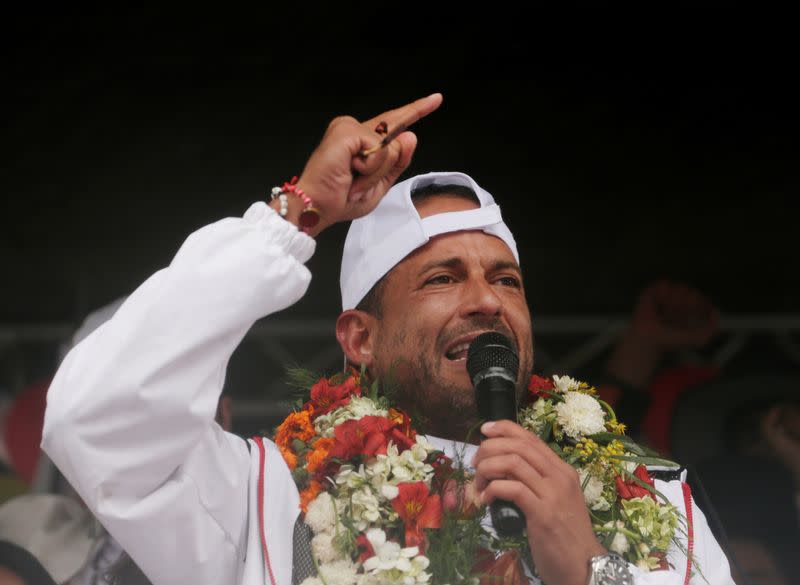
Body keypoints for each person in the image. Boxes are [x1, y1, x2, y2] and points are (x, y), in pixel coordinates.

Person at [41, 94, 734, 585]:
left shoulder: (642, 494)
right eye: (443, 277)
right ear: (360, 339)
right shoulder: (272, 499)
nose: (487, 299)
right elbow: (97, 416)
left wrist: (593, 572)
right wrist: (296, 215)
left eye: (507, 280)